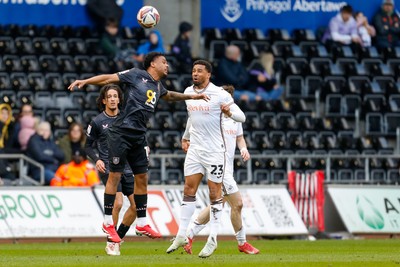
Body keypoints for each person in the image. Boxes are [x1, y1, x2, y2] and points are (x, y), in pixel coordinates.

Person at [68, 52, 209, 246]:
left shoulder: (158, 86)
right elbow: (109, 78)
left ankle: (142, 223)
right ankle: (108, 222)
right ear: (153, 64)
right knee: (115, 176)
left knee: (142, 177)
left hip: (139, 136)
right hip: (121, 132)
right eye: (164, 62)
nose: (167, 65)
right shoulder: (136, 74)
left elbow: (170, 96)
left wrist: (192, 96)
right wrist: (86, 81)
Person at [166, 60, 246, 258]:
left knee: (214, 194)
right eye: (193, 70)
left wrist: (230, 113)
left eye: (200, 71)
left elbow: (241, 117)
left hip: (214, 152)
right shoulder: (187, 91)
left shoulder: (220, 94)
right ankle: (181, 234)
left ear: (208, 74)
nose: (195, 73)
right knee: (188, 189)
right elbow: (191, 118)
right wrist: (186, 136)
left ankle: (213, 238)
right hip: (195, 150)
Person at [181, 85, 259, 255]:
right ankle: (242, 243)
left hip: (228, 167)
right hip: (218, 164)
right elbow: (193, 121)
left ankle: (189, 236)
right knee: (236, 203)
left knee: (219, 204)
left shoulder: (233, 118)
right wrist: (187, 137)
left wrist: (243, 149)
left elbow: (240, 137)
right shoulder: (213, 118)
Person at [85, 84, 137, 256]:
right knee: (119, 203)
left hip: (127, 167)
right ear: (104, 100)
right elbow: (88, 146)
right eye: (110, 96)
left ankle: (118, 237)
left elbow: (136, 139)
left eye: (116, 96)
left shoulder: (127, 118)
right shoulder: (97, 122)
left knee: (137, 207)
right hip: (108, 166)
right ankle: (111, 241)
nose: (113, 99)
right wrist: (97, 159)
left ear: (119, 99)